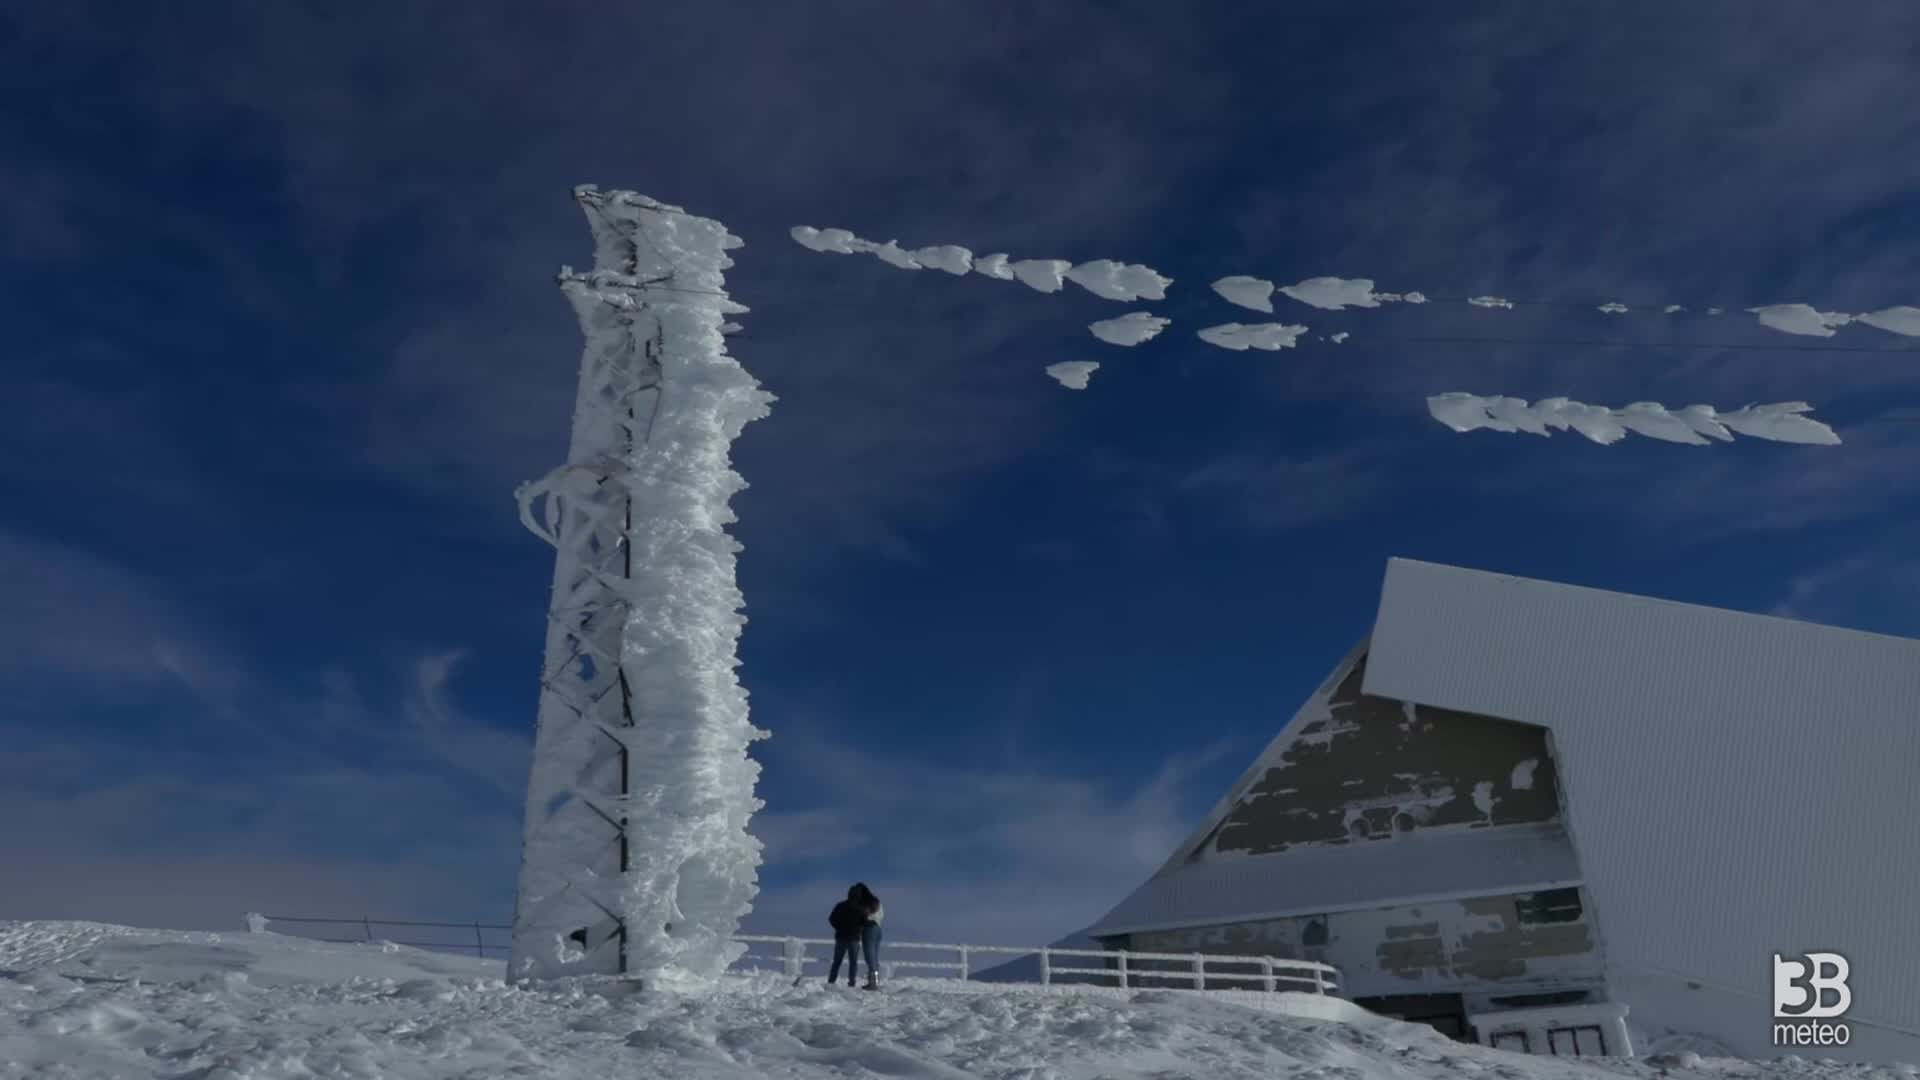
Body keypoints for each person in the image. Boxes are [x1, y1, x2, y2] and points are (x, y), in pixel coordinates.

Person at [826, 884, 868, 987]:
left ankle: (831, 981)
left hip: (841, 937)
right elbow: (865, 923)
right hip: (854, 938)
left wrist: (838, 927)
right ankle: (851, 983)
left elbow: (831, 919)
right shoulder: (861, 908)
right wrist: (859, 930)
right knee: (853, 962)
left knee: (837, 961)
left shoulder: (840, 905)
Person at [851, 882, 883, 990]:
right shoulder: (876, 901)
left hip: (869, 929)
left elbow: (861, 916)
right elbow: (881, 914)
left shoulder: (863, 903)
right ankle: (875, 981)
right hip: (878, 929)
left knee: (869, 956)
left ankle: (873, 983)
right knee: (874, 956)